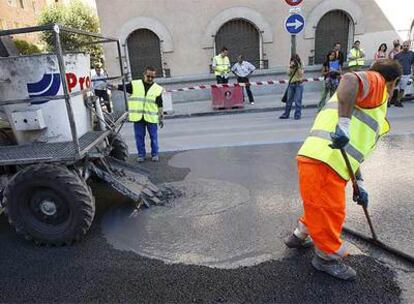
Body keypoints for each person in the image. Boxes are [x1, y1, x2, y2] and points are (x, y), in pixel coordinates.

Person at [284, 59, 402, 280]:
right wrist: (344, 126)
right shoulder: (377, 82)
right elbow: (348, 79)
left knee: (318, 204)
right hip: (326, 160)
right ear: (393, 82)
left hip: (320, 158)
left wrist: (361, 185)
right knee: (331, 211)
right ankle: (326, 258)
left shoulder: (371, 102)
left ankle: (299, 235)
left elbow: (354, 151)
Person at [120, 66, 164, 162]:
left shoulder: (157, 88)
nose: (150, 79)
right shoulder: (135, 84)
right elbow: (122, 87)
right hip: (138, 118)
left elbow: (160, 104)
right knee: (139, 137)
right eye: (148, 76)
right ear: (144, 74)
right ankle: (141, 155)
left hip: (151, 117)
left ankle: (155, 154)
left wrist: (161, 116)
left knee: (154, 137)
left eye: (152, 77)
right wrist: (113, 86)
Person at [280, 54, 304, 120]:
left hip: (299, 84)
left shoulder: (301, 64)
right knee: (289, 100)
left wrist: (298, 67)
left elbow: (301, 75)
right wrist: (291, 67)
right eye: (292, 60)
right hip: (291, 84)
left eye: (295, 60)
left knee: (298, 100)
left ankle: (297, 115)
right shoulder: (291, 65)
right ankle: (286, 114)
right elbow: (288, 74)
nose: (294, 62)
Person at [392, 41, 414, 107]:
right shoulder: (397, 55)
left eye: (407, 46)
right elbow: (393, 65)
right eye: (404, 45)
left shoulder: (412, 54)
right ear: (402, 46)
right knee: (394, 88)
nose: (406, 47)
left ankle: (398, 101)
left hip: (407, 74)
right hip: (398, 74)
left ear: (409, 46)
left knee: (402, 88)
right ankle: (389, 101)